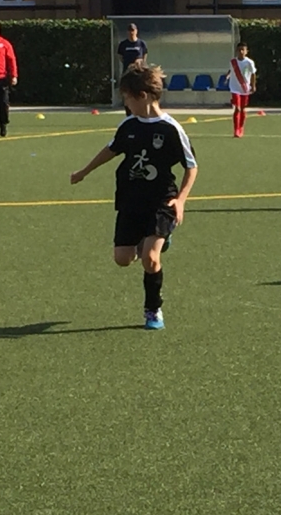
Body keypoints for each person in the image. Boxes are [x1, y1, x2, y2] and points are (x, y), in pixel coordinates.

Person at [70, 64, 198, 330]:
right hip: (131, 200)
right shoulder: (129, 125)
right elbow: (111, 149)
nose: (125, 104)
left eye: (127, 98)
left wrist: (181, 200)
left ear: (143, 96)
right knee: (122, 259)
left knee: (150, 258)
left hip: (161, 200)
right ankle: (155, 240)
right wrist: (84, 171)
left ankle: (153, 310)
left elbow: (191, 166)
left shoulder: (171, 129)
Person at [224, 42, 257, 138]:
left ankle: (241, 128)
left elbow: (253, 74)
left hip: (244, 88)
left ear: (246, 51)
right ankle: (236, 130)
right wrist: (227, 76)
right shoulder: (233, 61)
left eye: (243, 50)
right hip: (234, 87)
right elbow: (231, 70)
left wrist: (253, 85)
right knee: (237, 108)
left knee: (242, 109)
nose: (241, 52)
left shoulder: (249, 62)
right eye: (239, 50)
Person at [116, 23, 148, 116]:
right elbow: (120, 56)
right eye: (129, 31)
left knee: (138, 92)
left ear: (136, 31)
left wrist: (140, 63)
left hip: (138, 73)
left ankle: (140, 112)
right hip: (127, 73)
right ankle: (128, 113)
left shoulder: (141, 43)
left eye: (133, 30)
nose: (131, 32)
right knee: (127, 93)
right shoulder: (123, 44)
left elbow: (144, 55)